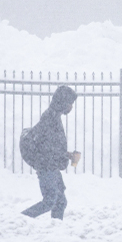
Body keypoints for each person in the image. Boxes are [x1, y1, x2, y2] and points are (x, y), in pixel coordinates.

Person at [21, 85, 80, 220]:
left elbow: (53, 145)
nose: (71, 107)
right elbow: (47, 147)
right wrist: (66, 155)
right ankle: (21, 219)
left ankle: (55, 230)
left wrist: (68, 155)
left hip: (51, 165)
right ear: (63, 102)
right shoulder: (50, 117)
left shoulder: (55, 116)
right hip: (46, 166)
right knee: (50, 201)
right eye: (70, 103)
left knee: (60, 202)